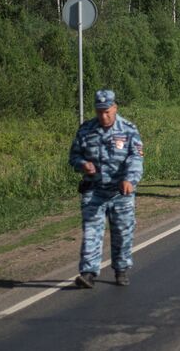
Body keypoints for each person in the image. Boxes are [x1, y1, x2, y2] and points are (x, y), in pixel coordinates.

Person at [69, 89, 144, 288]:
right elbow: (74, 157)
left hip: (120, 192)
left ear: (115, 108)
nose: (103, 116)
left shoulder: (128, 129)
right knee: (92, 231)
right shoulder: (86, 130)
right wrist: (82, 164)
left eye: (107, 111)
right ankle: (88, 273)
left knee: (122, 231)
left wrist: (130, 179)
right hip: (94, 190)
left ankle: (121, 270)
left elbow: (136, 158)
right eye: (99, 111)